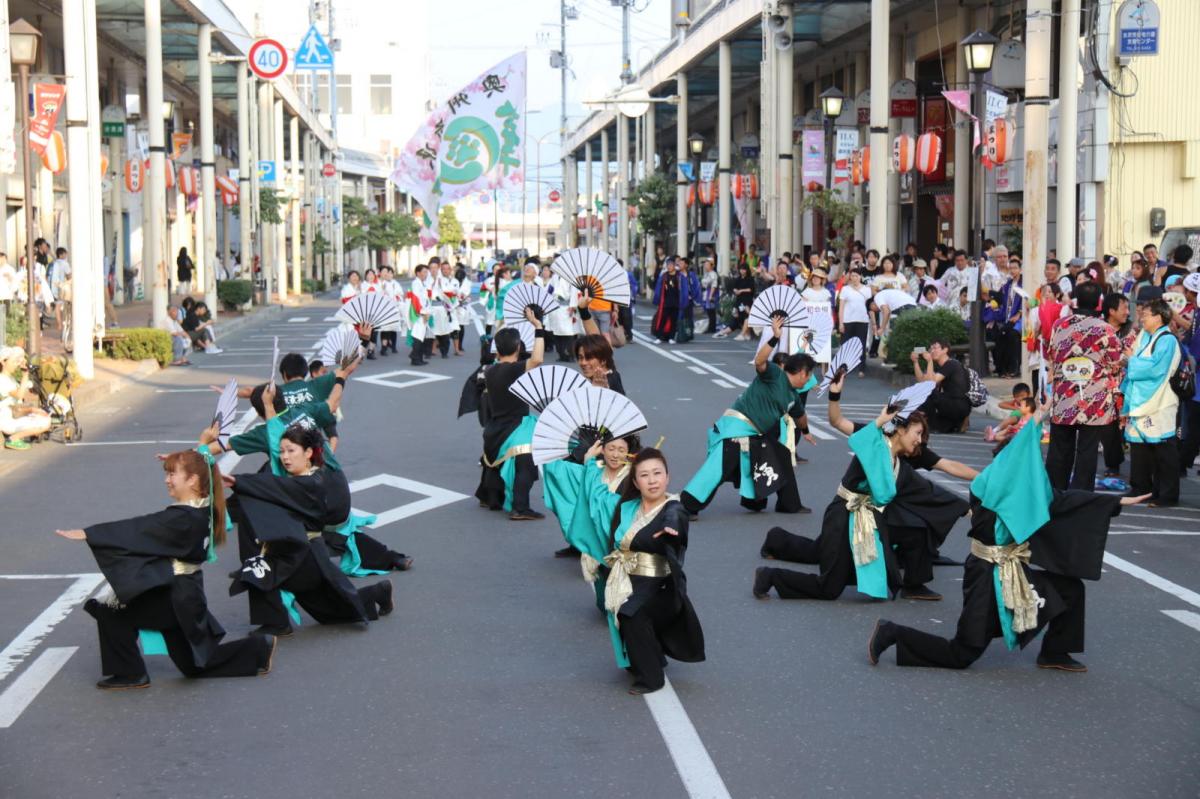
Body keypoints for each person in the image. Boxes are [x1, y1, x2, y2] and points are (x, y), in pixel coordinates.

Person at [868, 419, 1146, 672]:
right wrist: (1032, 429)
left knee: (1071, 589)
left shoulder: (1014, 486)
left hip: (1011, 572)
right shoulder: (990, 489)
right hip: (986, 578)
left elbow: (1058, 499)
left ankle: (1055, 652)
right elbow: (1029, 486)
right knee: (963, 652)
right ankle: (892, 632)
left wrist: (1115, 502)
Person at [57, 449, 275, 689]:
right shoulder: (206, 508)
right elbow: (201, 469)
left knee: (109, 611)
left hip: (174, 596)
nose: (167, 480)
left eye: (172, 474)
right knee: (194, 666)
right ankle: (258, 649)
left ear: (192, 479)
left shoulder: (184, 517)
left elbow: (141, 529)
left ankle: (130, 674)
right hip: (185, 594)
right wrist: (198, 451)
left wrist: (91, 533)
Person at [753, 405, 964, 601]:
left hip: (867, 522)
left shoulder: (898, 464)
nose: (920, 440)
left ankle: (914, 584)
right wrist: (880, 420)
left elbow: (926, 490)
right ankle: (770, 576)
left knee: (916, 528)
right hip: (842, 519)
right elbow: (860, 440)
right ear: (900, 430)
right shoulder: (874, 445)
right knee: (829, 588)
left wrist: (964, 506)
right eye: (917, 433)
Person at [551, 444, 704, 695]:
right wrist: (590, 463)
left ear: (667, 477)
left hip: (660, 584)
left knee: (631, 613)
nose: (652, 481)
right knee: (622, 615)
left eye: (657, 473)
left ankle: (653, 678)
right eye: (644, 475)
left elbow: (675, 517)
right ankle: (648, 656)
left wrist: (671, 529)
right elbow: (597, 497)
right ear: (635, 480)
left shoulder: (672, 508)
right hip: (628, 578)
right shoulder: (627, 507)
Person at [225, 424, 394, 636]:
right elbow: (272, 486)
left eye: (291, 450)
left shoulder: (313, 482)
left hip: (305, 555)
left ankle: (276, 624)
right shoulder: (297, 478)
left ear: (308, 453)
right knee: (331, 610)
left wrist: (238, 481)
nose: (285, 457)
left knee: (259, 571)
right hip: (301, 552)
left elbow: (277, 488)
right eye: (282, 451)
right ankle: (376, 593)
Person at [681, 317, 817, 515]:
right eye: (810, 374)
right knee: (718, 468)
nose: (810, 379)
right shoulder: (774, 374)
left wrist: (806, 431)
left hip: (755, 434)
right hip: (737, 427)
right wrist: (774, 338)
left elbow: (801, 416)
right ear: (803, 373)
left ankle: (788, 504)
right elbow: (760, 361)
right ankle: (687, 505)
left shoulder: (793, 397)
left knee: (781, 456)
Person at [1045, 282, 1123, 491]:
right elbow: (1115, 362)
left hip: (1064, 397)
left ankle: (1053, 493)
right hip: (1094, 399)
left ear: (1076, 299)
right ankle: (1081, 495)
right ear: (1099, 301)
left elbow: (1052, 355)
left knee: (1059, 448)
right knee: (1087, 450)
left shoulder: (1060, 325)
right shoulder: (1105, 329)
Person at [475, 310, 546, 520]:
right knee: (526, 465)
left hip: (494, 428)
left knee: (493, 462)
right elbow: (538, 358)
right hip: (516, 427)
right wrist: (538, 327)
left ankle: (488, 497)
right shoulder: (514, 370)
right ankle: (520, 507)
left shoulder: (490, 371)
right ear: (518, 347)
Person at [1121, 298, 1181, 507]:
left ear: (1158, 316)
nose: (1142, 318)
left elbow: (1156, 369)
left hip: (1160, 400)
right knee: (1139, 447)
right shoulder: (1145, 335)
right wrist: (1128, 359)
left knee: (1163, 449)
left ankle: (1166, 494)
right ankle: (1141, 487)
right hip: (1141, 399)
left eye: (1145, 314)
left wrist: (1131, 360)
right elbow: (1134, 359)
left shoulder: (1168, 340)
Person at [913, 339, 972, 433]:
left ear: (945, 350)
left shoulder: (951, 364)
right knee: (940, 426)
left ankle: (920, 416)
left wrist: (929, 361)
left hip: (957, 405)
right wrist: (915, 363)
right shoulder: (944, 365)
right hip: (953, 405)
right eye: (930, 348)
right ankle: (956, 423)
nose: (932, 351)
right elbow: (922, 381)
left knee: (928, 392)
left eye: (935, 348)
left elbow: (929, 384)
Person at [0, 346, 52, 450]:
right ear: (3, 362)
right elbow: (19, 395)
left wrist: (33, 410)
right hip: (6, 422)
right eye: (14, 362)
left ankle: (18, 436)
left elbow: (15, 407)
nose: (16, 365)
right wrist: (25, 375)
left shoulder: (9, 378)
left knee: (43, 417)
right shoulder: (2, 380)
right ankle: (13, 439)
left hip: (11, 416)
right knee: (45, 422)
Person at [838, 268, 872, 375]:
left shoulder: (867, 290)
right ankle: (843, 367)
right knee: (845, 345)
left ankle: (861, 368)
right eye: (852, 276)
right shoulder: (845, 289)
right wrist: (840, 323)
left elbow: (870, 306)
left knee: (861, 345)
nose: (854, 278)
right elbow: (841, 307)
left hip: (862, 320)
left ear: (860, 277)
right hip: (848, 320)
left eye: (856, 276)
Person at [723, 262, 755, 340]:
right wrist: (736, 290)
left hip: (747, 300)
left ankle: (745, 334)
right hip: (739, 300)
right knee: (740, 316)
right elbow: (734, 288)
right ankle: (746, 333)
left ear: (747, 270)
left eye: (744, 269)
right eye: (741, 269)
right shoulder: (738, 279)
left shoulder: (750, 279)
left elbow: (751, 289)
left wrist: (741, 291)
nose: (742, 271)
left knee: (748, 315)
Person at [651, 258, 681, 343]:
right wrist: (657, 300)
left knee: (673, 320)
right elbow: (658, 289)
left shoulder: (679, 276)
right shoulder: (664, 276)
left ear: (674, 266)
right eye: (668, 265)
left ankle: (671, 337)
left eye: (671, 265)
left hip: (676, 302)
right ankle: (659, 337)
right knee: (662, 319)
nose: (669, 267)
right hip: (666, 302)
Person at [699, 258, 720, 334]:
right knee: (709, 311)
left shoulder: (713, 274)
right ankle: (711, 327)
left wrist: (711, 295)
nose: (705, 266)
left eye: (707, 265)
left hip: (712, 293)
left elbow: (714, 285)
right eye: (705, 264)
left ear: (712, 266)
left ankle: (712, 328)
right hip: (707, 292)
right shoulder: (707, 274)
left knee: (711, 311)